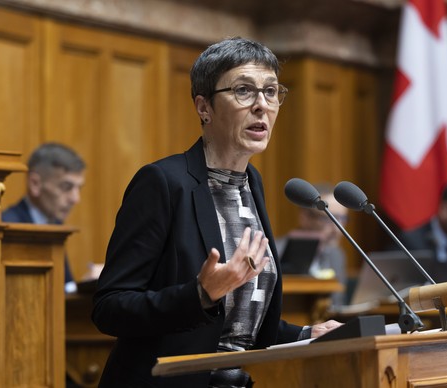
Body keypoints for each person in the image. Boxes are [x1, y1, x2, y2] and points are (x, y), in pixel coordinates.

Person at [91, 37, 342, 388]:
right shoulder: (164, 183)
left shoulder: (251, 184)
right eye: (244, 90)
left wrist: (305, 332)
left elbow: (239, 328)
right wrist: (198, 295)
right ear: (203, 106)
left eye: (271, 91)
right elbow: (110, 308)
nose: (262, 106)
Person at [2, 142, 86, 294]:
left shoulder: (55, 225)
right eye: (66, 187)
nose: (75, 199)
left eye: (78, 188)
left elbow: (63, 286)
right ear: (35, 183)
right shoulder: (9, 226)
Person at [277, 183, 348, 306]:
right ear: (304, 217)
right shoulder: (275, 252)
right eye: (328, 219)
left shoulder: (336, 254)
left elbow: (337, 304)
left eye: (342, 219)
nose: (337, 228)